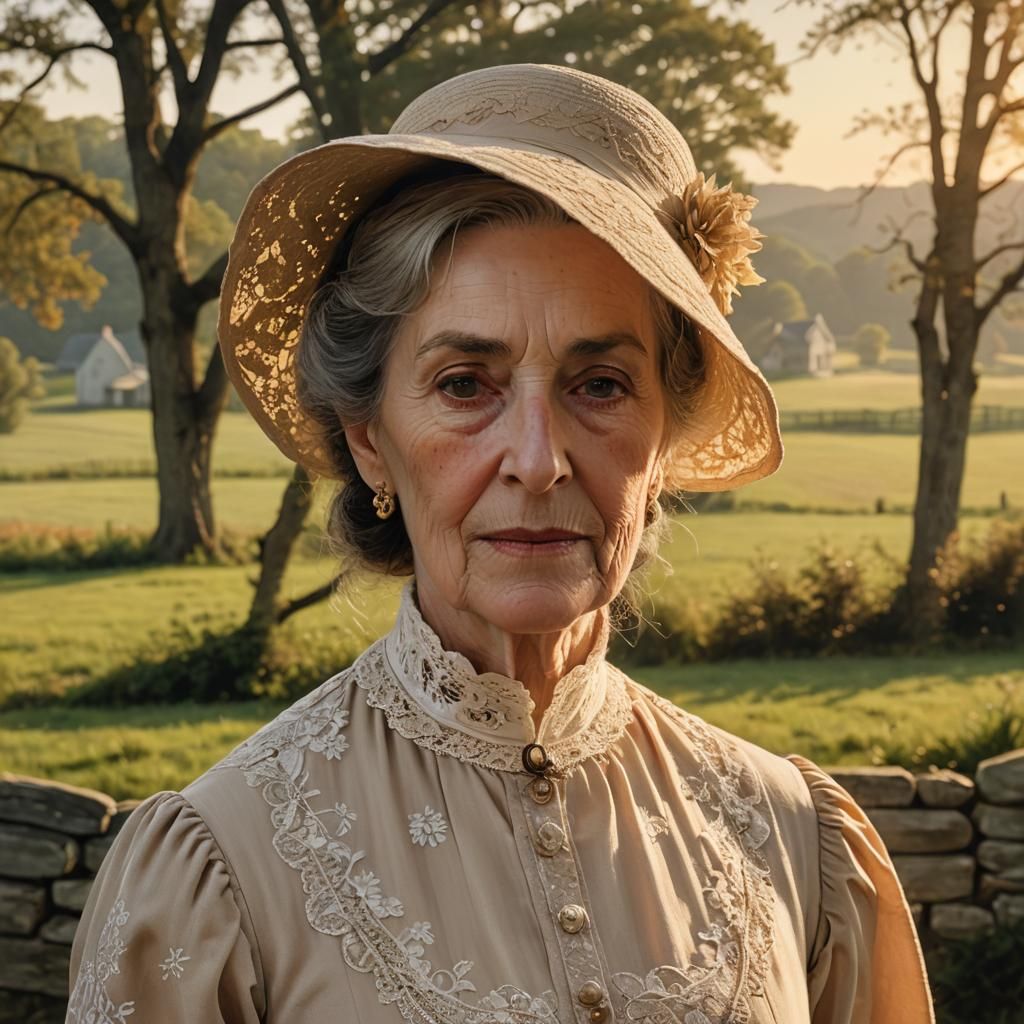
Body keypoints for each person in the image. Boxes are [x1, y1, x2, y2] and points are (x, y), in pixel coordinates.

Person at [66, 63, 934, 1024]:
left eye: (599, 384)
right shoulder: (223, 868)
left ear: (664, 441)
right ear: (368, 439)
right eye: (465, 384)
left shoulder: (793, 838)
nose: (538, 459)